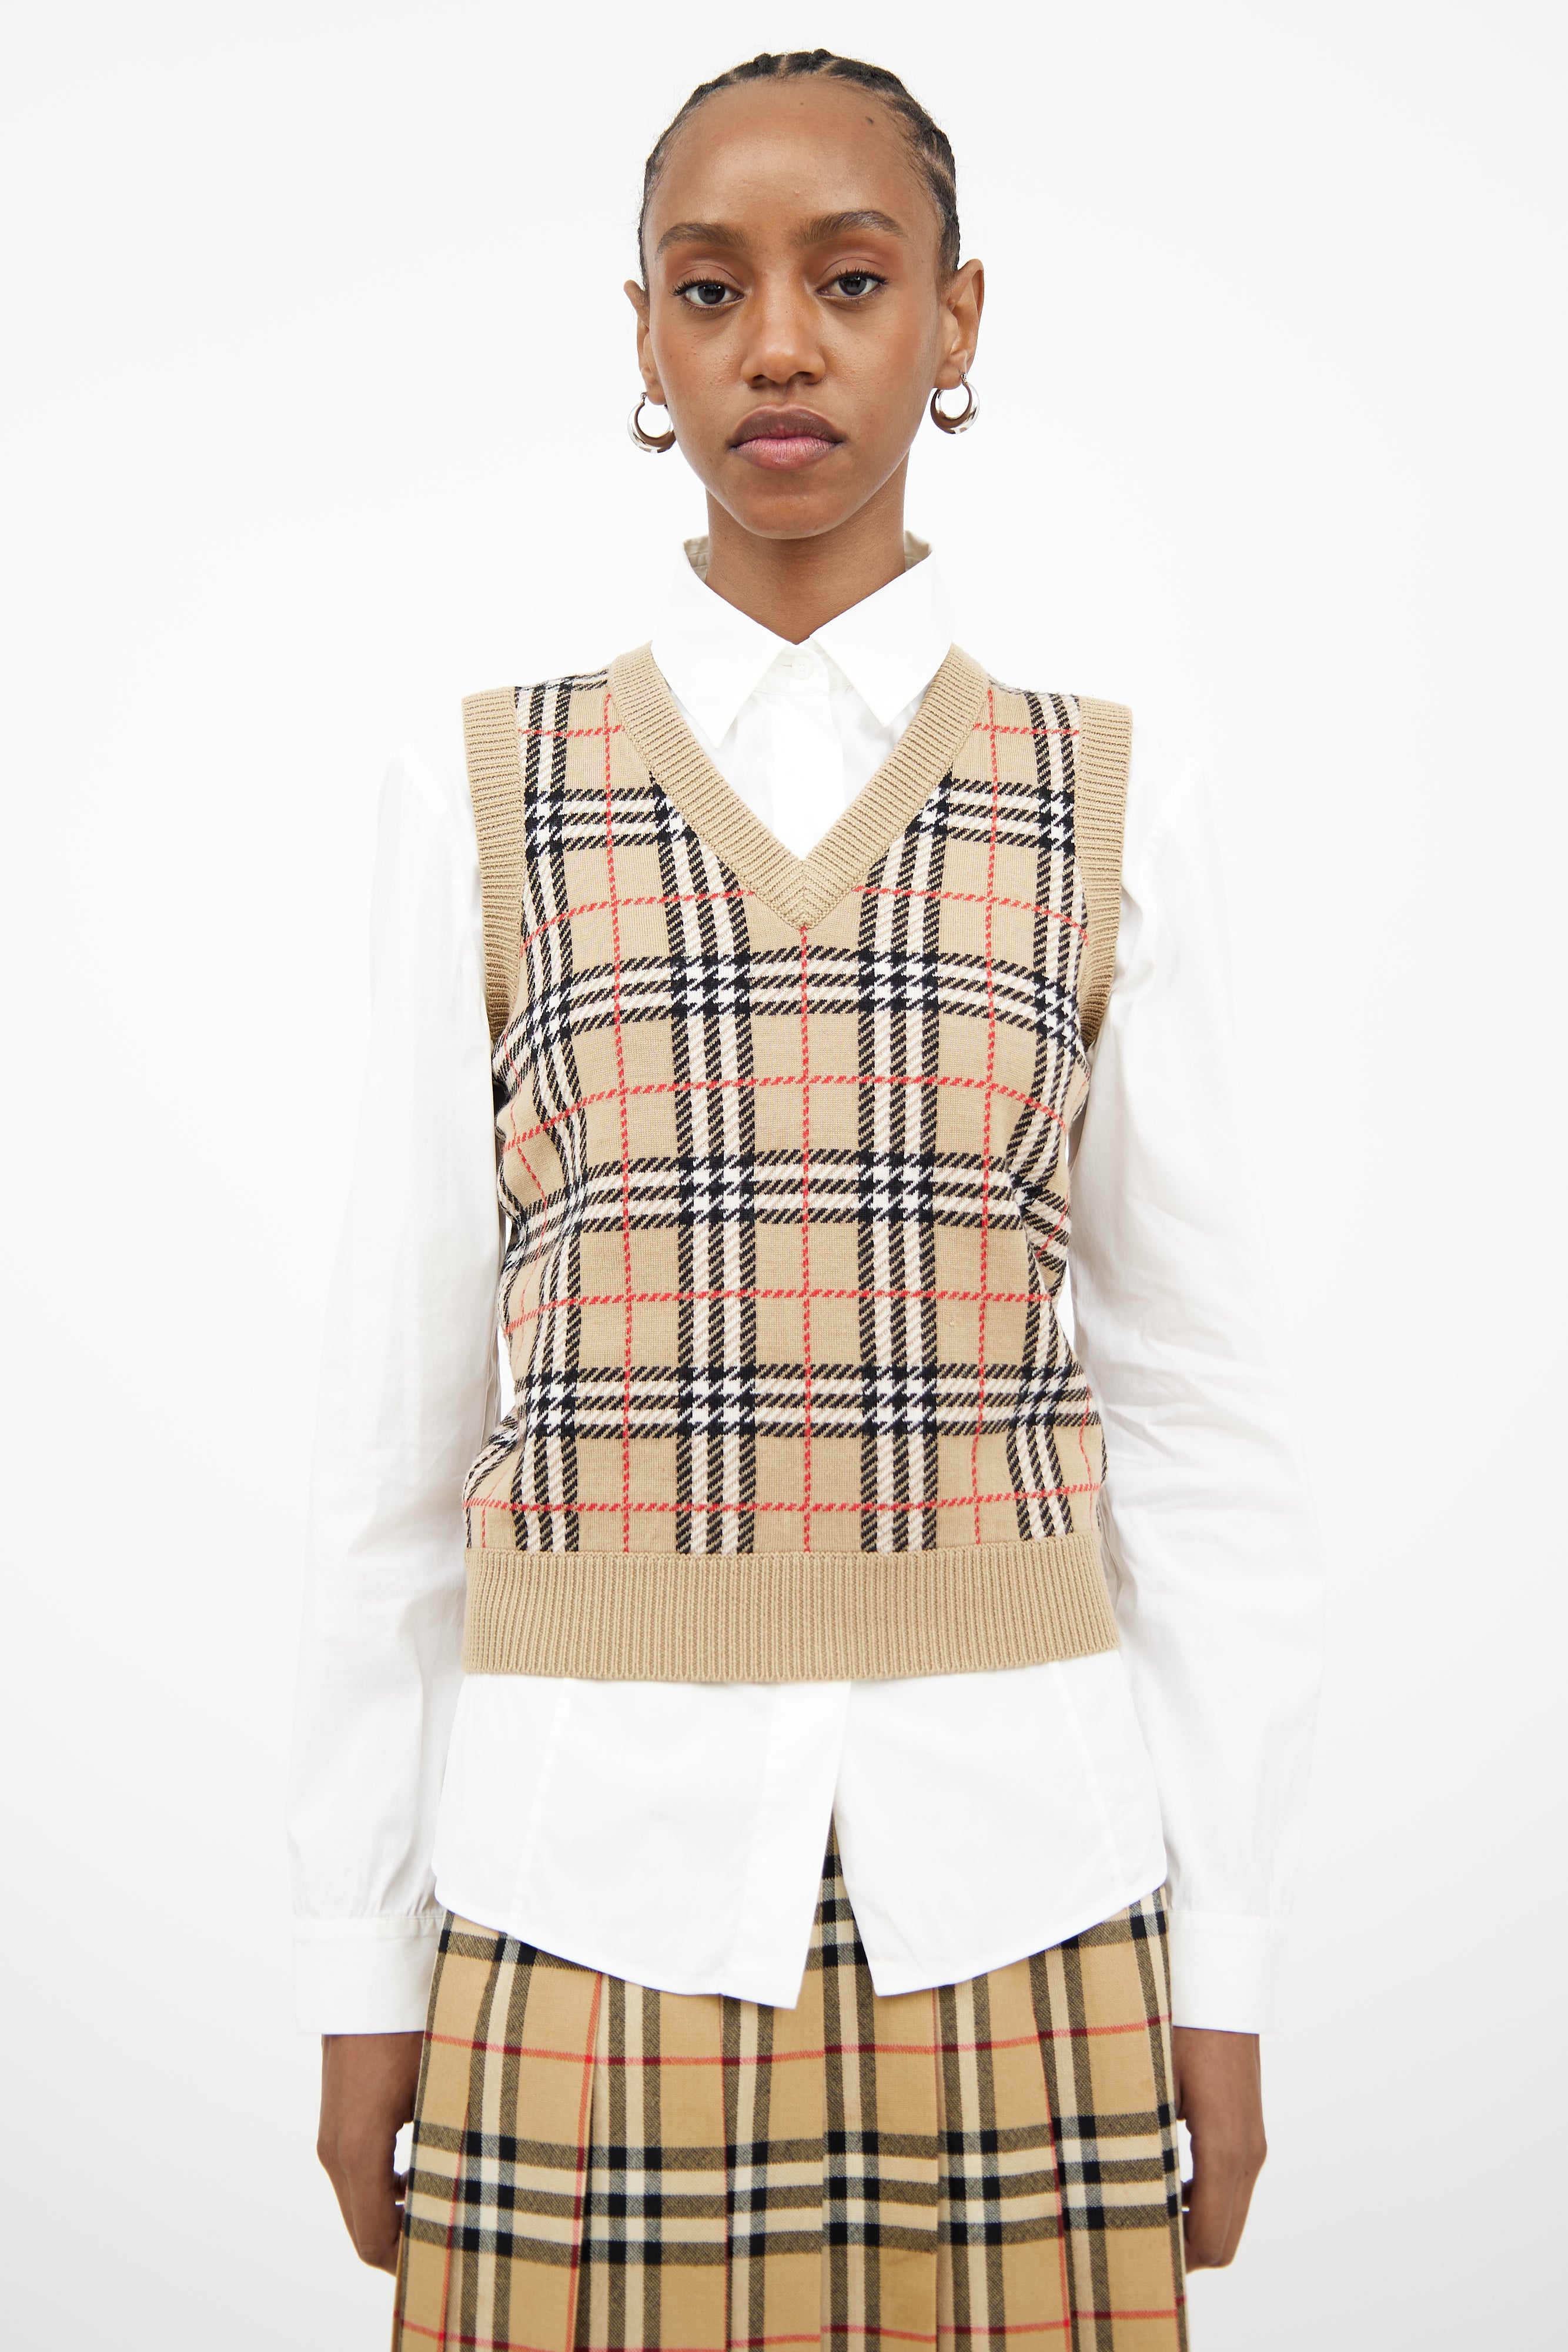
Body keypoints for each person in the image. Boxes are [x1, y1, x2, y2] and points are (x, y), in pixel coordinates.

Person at [289, 48, 1322, 2352]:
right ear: (642, 340)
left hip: (1027, 1893)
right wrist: (357, 1957)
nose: (778, 344)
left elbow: (1198, 1422)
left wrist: (1230, 1952)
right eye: (709, 287)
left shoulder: (1105, 794)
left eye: (849, 283)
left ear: (955, 322)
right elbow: (393, 1433)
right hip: (580, 1893)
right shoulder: (482, 793)